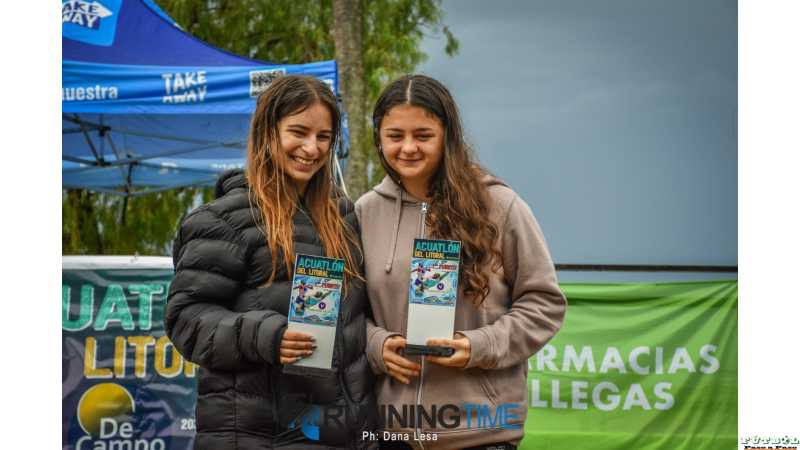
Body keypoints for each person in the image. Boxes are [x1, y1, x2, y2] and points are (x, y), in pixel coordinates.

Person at [355, 74, 567, 450]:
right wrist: (375, 345)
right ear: (378, 138)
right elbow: (349, 310)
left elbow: (544, 304)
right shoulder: (364, 211)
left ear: (447, 136)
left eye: (423, 135)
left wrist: (480, 346)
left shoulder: (500, 206)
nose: (407, 148)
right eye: (394, 136)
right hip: (389, 432)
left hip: (481, 432)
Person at [166, 75, 377, 450]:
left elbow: (356, 321)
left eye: (324, 137)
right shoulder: (223, 219)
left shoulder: (344, 216)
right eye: (298, 132)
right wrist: (269, 336)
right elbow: (187, 320)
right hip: (257, 436)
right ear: (268, 131)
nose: (311, 148)